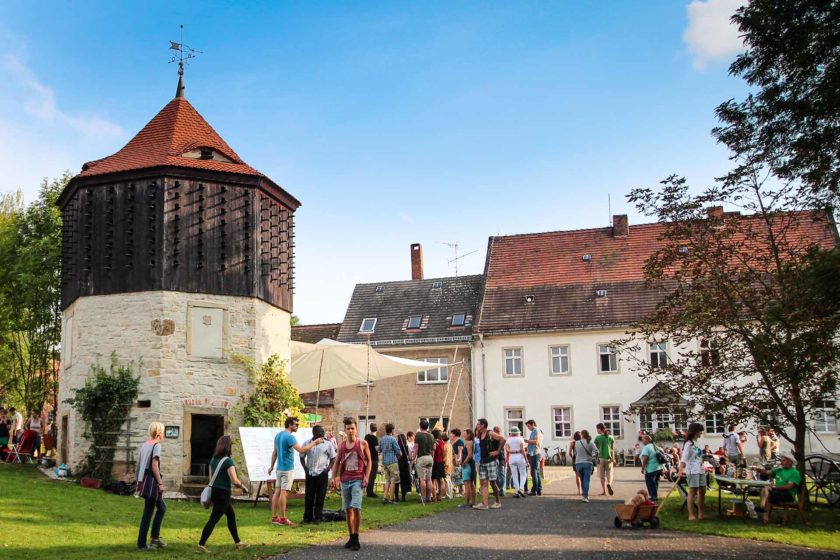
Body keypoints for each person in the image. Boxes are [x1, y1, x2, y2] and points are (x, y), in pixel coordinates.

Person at [197, 435, 250, 553]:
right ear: (228, 447)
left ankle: (238, 542)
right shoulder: (228, 461)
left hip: (215, 492)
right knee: (213, 519)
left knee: (231, 515)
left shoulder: (213, 460)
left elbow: (211, 478)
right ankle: (201, 545)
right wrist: (243, 487)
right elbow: (235, 481)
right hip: (223, 493)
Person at [268, 416, 323, 527]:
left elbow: (275, 453)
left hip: (279, 469)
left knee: (277, 492)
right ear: (289, 425)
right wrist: (315, 442)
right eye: (296, 424)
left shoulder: (278, 435)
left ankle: (275, 517)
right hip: (287, 469)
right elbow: (302, 450)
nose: (297, 426)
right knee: (284, 493)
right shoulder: (290, 437)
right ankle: (283, 518)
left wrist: (271, 466)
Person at [332, 417, 372, 551]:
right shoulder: (342, 445)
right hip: (345, 480)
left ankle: (356, 537)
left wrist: (366, 476)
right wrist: (334, 477)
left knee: (356, 507)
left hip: (358, 480)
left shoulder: (363, 443)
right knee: (348, 510)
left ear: (356, 429)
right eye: (348, 429)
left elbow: (369, 461)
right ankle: (351, 536)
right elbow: (337, 462)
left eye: (352, 428)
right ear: (345, 430)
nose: (350, 431)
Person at [136, 422, 166, 551]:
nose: (163, 434)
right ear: (159, 432)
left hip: (144, 479)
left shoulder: (145, 445)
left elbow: (139, 464)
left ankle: (155, 538)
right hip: (152, 482)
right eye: (163, 431)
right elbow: (154, 465)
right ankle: (142, 544)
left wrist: (138, 482)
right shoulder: (156, 445)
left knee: (162, 507)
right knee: (148, 512)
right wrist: (160, 483)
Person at [300, 425, 337, 523]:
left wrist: (328, 468)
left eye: (322, 432)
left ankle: (318, 517)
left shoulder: (328, 444)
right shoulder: (307, 443)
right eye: (319, 432)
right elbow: (302, 457)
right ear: (314, 433)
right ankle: (307, 517)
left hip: (322, 473)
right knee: (309, 496)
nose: (322, 434)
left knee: (320, 497)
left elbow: (333, 458)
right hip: (310, 473)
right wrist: (305, 469)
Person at [751, 454, 801, 524]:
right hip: (776, 493)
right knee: (766, 490)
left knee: (767, 489)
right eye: (781, 461)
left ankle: (762, 507)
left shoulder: (795, 472)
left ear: (790, 462)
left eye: (784, 460)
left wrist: (775, 487)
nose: (781, 462)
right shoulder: (779, 470)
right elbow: (766, 472)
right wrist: (757, 469)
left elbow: (789, 487)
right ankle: (765, 518)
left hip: (788, 495)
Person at [472, 418, 506, 510]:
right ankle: (485, 503)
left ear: (483, 425)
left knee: (492, 482)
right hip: (483, 461)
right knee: (483, 482)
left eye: (479, 424)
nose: (477, 425)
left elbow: (503, 439)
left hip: (491, 460)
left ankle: (498, 501)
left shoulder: (490, 433)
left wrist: (497, 451)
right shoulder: (479, 434)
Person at [679, 422, 706, 521]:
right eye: (700, 431)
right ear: (695, 431)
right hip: (692, 471)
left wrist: (702, 461)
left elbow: (699, 455)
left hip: (701, 470)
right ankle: (691, 515)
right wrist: (680, 470)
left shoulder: (697, 442)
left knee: (703, 491)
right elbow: (683, 458)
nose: (701, 433)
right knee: (692, 491)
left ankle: (701, 514)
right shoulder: (688, 444)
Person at [377, 423, 401, 504]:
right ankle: (391, 499)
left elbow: (379, 450)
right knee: (393, 480)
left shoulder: (382, 439)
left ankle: (385, 497)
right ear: (392, 430)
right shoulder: (393, 439)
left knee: (387, 480)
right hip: (392, 461)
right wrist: (399, 456)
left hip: (385, 462)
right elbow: (398, 451)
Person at [574, 429, 598, 502]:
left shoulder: (577, 443)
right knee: (586, 480)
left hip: (578, 463)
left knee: (582, 479)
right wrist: (593, 457)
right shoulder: (590, 443)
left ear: (582, 435)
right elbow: (596, 451)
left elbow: (575, 453)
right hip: (588, 463)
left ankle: (583, 495)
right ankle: (585, 496)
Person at [414, 420, 435, 503]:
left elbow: (416, 448)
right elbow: (434, 448)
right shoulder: (431, 435)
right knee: (429, 479)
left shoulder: (418, 435)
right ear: (427, 426)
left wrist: (413, 458)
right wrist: (432, 457)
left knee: (422, 479)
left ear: (420, 426)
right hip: (430, 457)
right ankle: (429, 497)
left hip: (421, 458)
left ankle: (423, 498)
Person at [594, 423, 616, 496]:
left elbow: (597, 450)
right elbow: (612, 449)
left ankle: (604, 491)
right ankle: (609, 484)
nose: (597, 430)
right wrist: (613, 458)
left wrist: (596, 458)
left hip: (601, 458)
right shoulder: (611, 437)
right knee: (610, 474)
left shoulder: (597, 438)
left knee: (602, 476)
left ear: (600, 429)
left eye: (597, 428)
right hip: (609, 458)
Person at [505, 427, 528, 498]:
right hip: (520, 457)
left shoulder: (508, 439)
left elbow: (507, 450)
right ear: (518, 433)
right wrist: (526, 460)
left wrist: (513, 451)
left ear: (511, 433)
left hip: (512, 458)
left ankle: (516, 491)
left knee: (514, 475)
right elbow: (522, 450)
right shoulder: (521, 439)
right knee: (523, 474)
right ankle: (521, 489)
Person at [638, 434, 661, 502]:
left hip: (650, 468)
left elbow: (646, 457)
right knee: (655, 482)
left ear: (647, 440)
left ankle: (653, 496)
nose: (642, 441)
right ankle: (655, 495)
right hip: (658, 467)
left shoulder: (647, 447)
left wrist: (643, 468)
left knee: (650, 482)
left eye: (643, 439)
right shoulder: (654, 446)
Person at [524, 419, 543, 496]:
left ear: (532, 424)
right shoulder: (536, 431)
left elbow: (536, 441)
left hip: (535, 453)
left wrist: (526, 441)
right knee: (537, 472)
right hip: (535, 453)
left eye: (528, 426)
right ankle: (539, 489)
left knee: (534, 472)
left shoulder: (536, 431)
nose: (528, 428)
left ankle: (534, 490)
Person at [460, 428, 476, 508]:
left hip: (467, 465)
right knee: (471, 484)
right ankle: (474, 502)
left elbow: (470, 455)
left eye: (465, 433)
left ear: (469, 434)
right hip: (470, 465)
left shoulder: (469, 443)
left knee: (467, 484)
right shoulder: (470, 442)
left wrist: (464, 463)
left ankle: (467, 503)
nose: (463, 435)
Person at [396, 432, 412, 502]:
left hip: (398, 464)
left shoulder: (397, 447)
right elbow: (410, 457)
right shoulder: (406, 447)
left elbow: (397, 456)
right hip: (405, 465)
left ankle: (396, 497)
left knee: (397, 481)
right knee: (404, 481)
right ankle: (403, 497)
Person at [364, 423, 379, 498]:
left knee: (368, 475)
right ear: (376, 429)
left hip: (367, 458)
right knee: (372, 476)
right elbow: (376, 448)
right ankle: (370, 492)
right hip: (374, 459)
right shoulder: (375, 438)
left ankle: (368, 491)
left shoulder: (366, 436)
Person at [431, 429, 446, 501]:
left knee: (433, 480)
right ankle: (440, 496)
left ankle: (434, 497)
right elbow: (444, 453)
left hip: (435, 461)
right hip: (441, 461)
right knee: (441, 479)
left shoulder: (434, 442)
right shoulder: (442, 442)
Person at [449, 429, 465, 498]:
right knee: (456, 476)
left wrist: (459, 459)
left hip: (458, 461)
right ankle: (458, 490)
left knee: (459, 475)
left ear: (455, 434)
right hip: (454, 461)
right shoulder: (454, 441)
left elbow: (460, 451)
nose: (450, 435)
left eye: (451, 433)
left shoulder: (459, 441)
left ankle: (462, 491)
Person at [569, 431, 582, 496]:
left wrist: (572, 458)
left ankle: (579, 491)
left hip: (575, 460)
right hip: (582, 459)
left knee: (577, 476)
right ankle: (584, 490)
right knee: (582, 476)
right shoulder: (583, 443)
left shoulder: (572, 443)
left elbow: (569, 453)